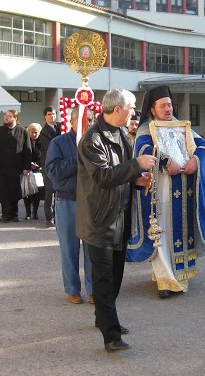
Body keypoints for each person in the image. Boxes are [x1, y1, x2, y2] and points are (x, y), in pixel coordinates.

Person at [76, 88, 155, 353]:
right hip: (99, 221)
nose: (134, 112)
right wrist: (137, 165)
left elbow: (120, 175)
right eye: (131, 108)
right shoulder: (91, 140)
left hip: (120, 218)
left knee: (116, 276)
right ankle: (111, 335)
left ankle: (104, 318)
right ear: (117, 109)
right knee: (103, 279)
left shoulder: (122, 134)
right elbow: (103, 176)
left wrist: (136, 179)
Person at [127, 85, 205, 299]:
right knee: (161, 234)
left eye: (169, 105)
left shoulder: (181, 126)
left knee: (179, 232)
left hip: (184, 193)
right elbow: (142, 149)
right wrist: (166, 161)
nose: (168, 109)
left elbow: (203, 145)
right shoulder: (146, 129)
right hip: (159, 194)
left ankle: (178, 275)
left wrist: (196, 160)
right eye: (163, 106)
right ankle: (165, 280)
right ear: (152, 109)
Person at [45, 107, 94, 304]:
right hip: (67, 201)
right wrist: (78, 157)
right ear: (72, 122)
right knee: (69, 248)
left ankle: (94, 289)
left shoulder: (97, 142)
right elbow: (53, 171)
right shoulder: (58, 142)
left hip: (91, 201)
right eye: (83, 119)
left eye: (90, 119)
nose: (88, 123)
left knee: (92, 250)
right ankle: (73, 289)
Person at [0, 110, 31, 223]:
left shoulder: (23, 132)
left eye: (9, 116)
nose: (6, 118)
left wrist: (26, 167)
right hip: (2, 167)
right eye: (5, 116)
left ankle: (14, 214)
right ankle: (5, 214)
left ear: (15, 118)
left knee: (15, 191)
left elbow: (27, 150)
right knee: (4, 191)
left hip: (17, 167)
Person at [39, 106, 59, 228]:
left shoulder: (60, 127)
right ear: (45, 117)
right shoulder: (44, 132)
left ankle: (58, 216)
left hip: (60, 163)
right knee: (49, 191)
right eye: (49, 114)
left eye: (53, 114)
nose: (52, 116)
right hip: (48, 164)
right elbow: (50, 146)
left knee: (59, 191)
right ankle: (49, 217)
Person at [23, 123, 42, 220]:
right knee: (27, 192)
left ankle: (35, 212)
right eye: (32, 132)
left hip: (37, 170)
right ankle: (28, 212)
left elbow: (43, 156)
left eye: (36, 132)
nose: (34, 134)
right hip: (27, 169)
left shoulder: (41, 143)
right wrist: (28, 164)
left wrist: (37, 164)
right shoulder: (25, 142)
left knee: (36, 192)